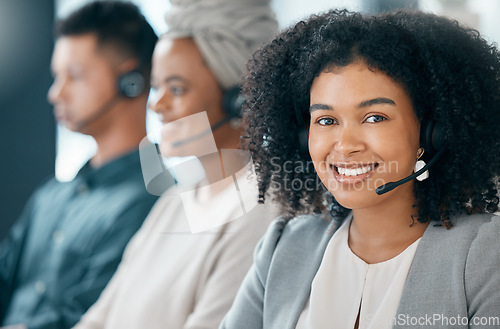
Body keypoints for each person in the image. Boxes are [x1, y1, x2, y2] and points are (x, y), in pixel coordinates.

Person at [221, 10, 500, 329]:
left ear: (429, 134)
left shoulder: (485, 255)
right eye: (326, 121)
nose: (346, 144)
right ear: (303, 137)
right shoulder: (284, 246)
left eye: (374, 117)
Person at [72, 0, 279, 328]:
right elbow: (98, 318)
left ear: (240, 102)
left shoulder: (262, 213)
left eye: (177, 88)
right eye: (156, 87)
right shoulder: (173, 203)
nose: (157, 104)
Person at [0, 2, 160, 328]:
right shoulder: (51, 195)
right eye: (57, 76)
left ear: (130, 80)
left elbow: (86, 318)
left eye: (73, 76)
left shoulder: (152, 202)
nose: (55, 93)